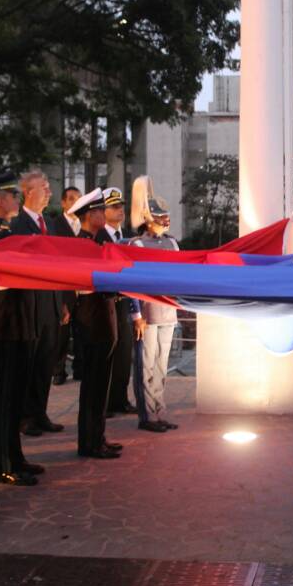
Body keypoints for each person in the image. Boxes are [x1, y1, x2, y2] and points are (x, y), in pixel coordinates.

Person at [0, 172, 43, 486]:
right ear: (0, 200)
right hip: (7, 320)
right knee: (6, 395)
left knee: (16, 394)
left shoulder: (6, 232)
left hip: (18, 318)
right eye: (13, 195)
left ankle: (15, 456)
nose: (18, 199)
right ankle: (4, 464)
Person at [69, 188, 124, 458]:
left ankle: (97, 437)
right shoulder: (82, 245)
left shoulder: (94, 242)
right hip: (92, 318)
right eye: (100, 210)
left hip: (102, 316)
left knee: (101, 383)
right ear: (89, 216)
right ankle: (90, 442)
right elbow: (90, 282)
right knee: (93, 384)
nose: (104, 214)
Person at [12, 170, 66, 437]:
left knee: (46, 360)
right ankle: (25, 416)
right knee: (29, 362)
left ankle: (40, 412)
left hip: (51, 302)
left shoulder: (50, 224)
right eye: (43, 188)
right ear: (28, 192)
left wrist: (62, 302)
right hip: (30, 303)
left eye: (48, 187)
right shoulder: (18, 224)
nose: (48, 192)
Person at [129, 176, 180, 432]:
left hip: (168, 311)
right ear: (148, 218)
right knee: (146, 365)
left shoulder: (172, 243)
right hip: (147, 313)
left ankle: (159, 411)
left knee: (161, 365)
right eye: (160, 216)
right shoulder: (137, 244)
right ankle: (147, 415)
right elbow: (132, 283)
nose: (165, 220)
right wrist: (136, 315)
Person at [101, 186, 139, 417]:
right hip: (106, 304)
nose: (120, 210)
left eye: (121, 206)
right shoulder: (100, 237)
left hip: (124, 302)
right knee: (107, 354)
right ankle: (105, 402)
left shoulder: (128, 238)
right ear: (103, 211)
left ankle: (120, 399)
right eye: (114, 207)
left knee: (124, 354)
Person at [48, 185, 82, 387]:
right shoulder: (54, 226)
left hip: (83, 284)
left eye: (78, 198)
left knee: (82, 330)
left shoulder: (85, 224)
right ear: (63, 203)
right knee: (61, 332)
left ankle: (80, 368)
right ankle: (58, 370)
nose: (75, 202)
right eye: (71, 199)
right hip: (63, 285)